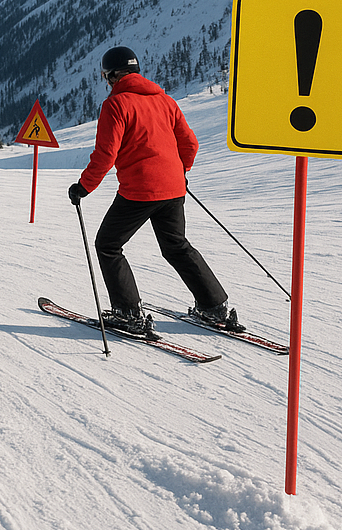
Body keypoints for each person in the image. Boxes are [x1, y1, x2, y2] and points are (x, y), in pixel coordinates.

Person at [68, 46, 243, 335]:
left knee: (108, 245)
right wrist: (180, 172)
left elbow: (106, 154)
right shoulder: (166, 101)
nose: (107, 83)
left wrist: (84, 186)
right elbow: (190, 144)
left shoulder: (116, 104)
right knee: (177, 246)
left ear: (112, 75)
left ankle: (127, 313)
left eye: (106, 77)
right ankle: (214, 306)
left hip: (140, 190)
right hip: (173, 189)